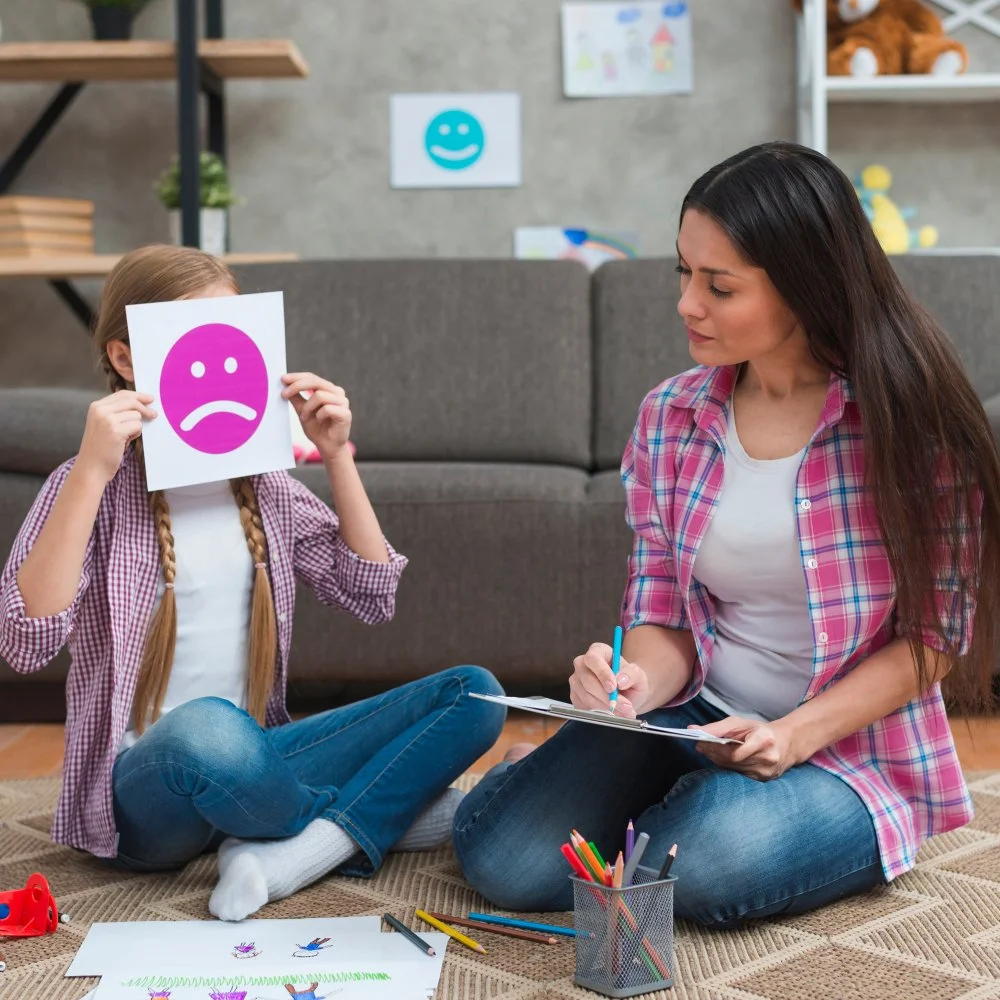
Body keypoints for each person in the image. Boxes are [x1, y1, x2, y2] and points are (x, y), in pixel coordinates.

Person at [452, 140, 1000, 928]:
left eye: (720, 285)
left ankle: (637, 796)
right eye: (683, 272)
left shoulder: (913, 429)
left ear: (806, 288)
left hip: (846, 753)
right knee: (505, 862)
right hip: (698, 717)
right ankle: (575, 776)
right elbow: (664, 607)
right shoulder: (670, 416)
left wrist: (790, 735)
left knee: (696, 864)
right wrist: (633, 687)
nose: (686, 303)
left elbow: (933, 641)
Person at [0, 244, 505, 922]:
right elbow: (24, 639)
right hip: (147, 795)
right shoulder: (86, 485)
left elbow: (369, 592)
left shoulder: (263, 485)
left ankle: (282, 846)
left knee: (474, 692)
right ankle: (363, 816)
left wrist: (334, 454)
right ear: (126, 359)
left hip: (257, 764)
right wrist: (92, 470)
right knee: (208, 728)